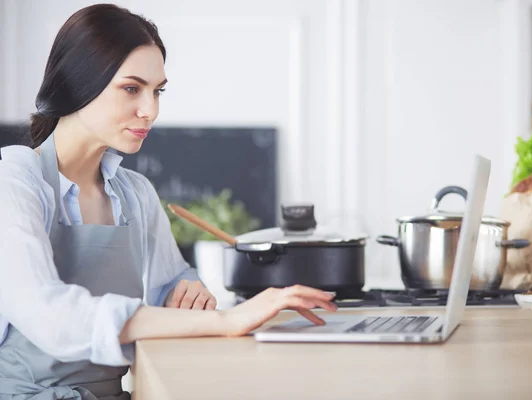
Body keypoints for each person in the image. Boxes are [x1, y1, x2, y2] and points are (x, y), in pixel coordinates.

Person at [0, 4, 337, 399]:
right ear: (78, 83)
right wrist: (226, 321)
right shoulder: (14, 182)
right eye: (132, 88)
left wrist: (189, 289)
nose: (151, 110)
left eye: (157, 91)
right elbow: (52, 319)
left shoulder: (135, 193)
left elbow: (171, 283)